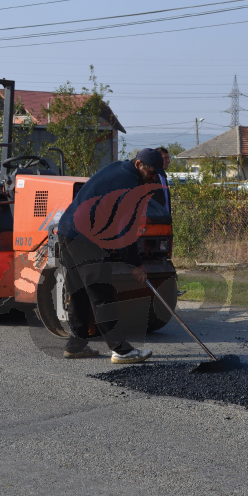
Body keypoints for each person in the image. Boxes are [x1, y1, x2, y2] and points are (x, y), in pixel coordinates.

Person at [56, 148, 164, 363]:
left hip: (67, 232)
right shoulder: (130, 185)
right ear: (139, 164)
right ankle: (121, 351)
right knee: (101, 294)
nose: (153, 178)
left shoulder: (119, 168)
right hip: (85, 238)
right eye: (151, 173)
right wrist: (135, 264)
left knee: (79, 292)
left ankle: (75, 346)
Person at [154, 146, 172, 214]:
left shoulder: (164, 177)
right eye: (165, 158)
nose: (168, 161)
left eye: (168, 158)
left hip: (165, 221)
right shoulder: (150, 178)